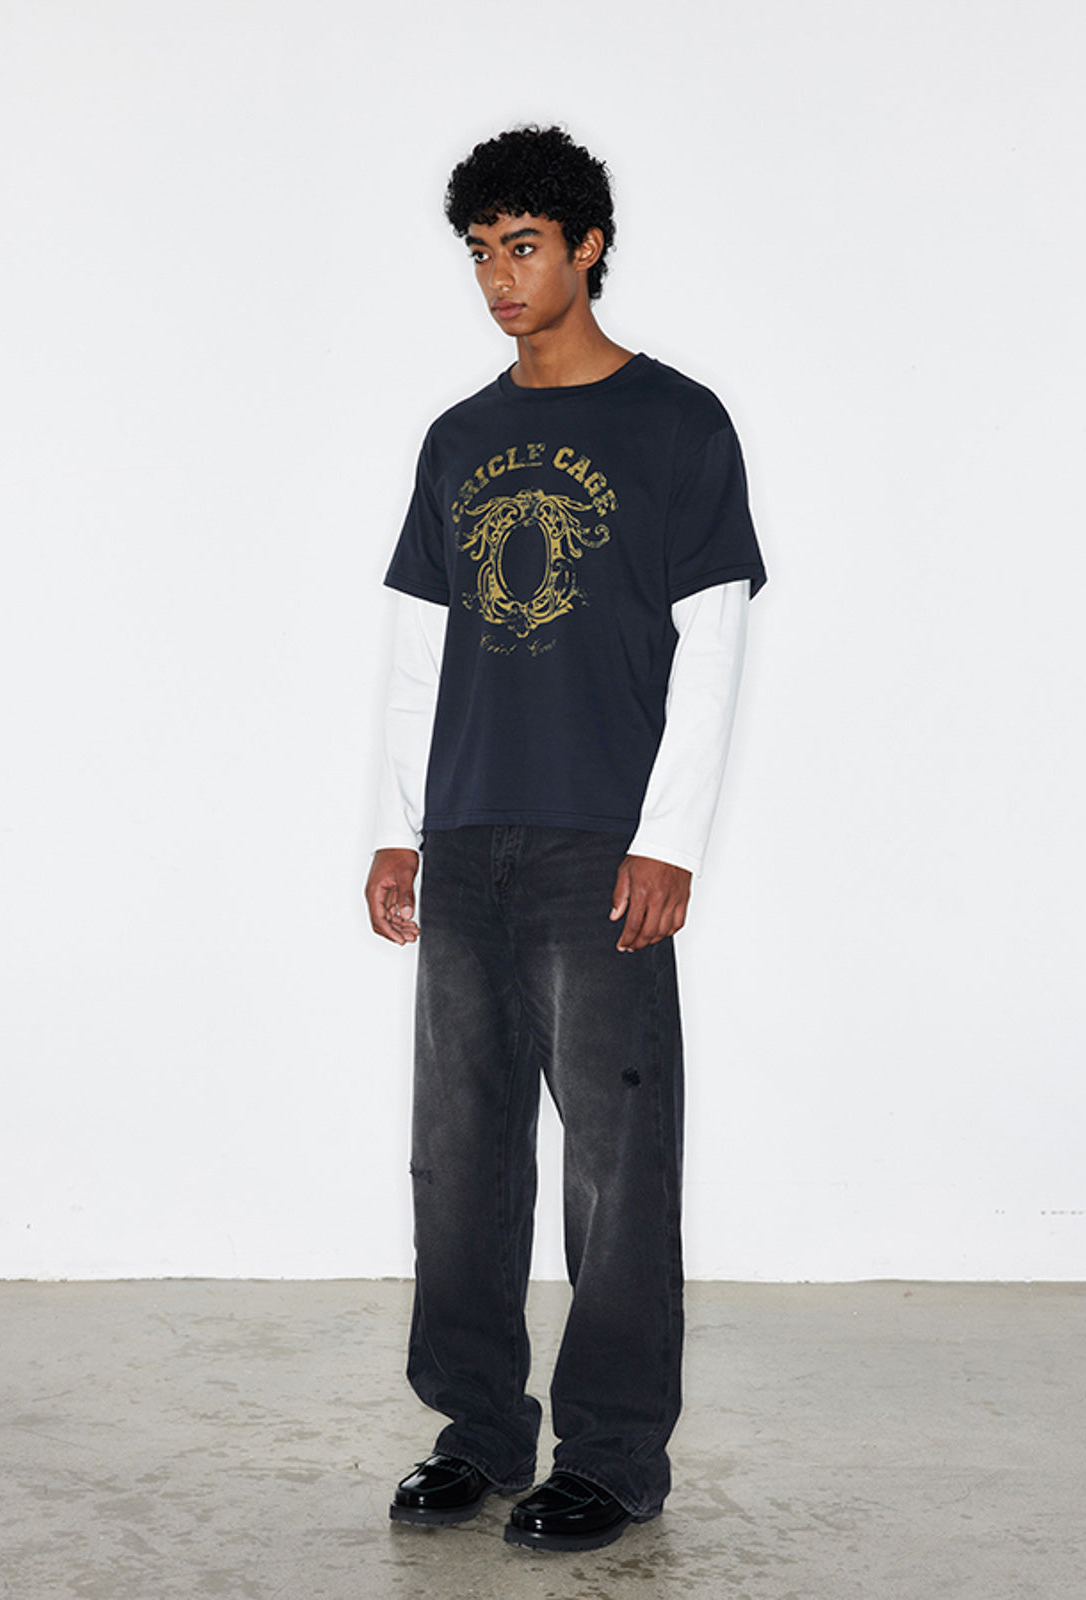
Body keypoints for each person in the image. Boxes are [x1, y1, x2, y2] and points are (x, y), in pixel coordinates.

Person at [364, 124, 765, 1554]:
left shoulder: (678, 425)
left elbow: (712, 642)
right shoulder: (457, 439)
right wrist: (395, 830)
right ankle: (477, 1433)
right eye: (480, 250)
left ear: (588, 247)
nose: (499, 276)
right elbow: (418, 645)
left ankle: (610, 1456)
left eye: (523, 246)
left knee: (616, 1163)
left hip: (603, 842)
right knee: (459, 1155)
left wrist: (670, 840)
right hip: (467, 835)